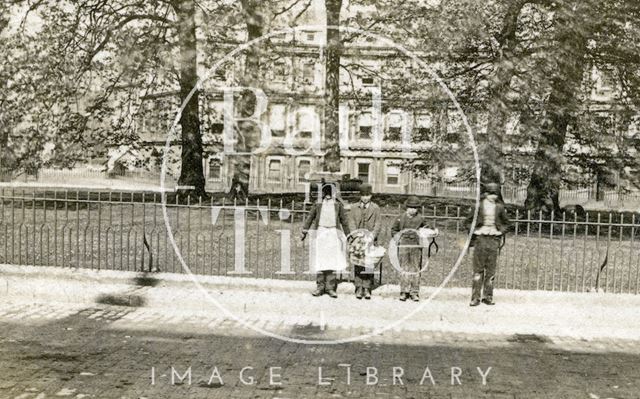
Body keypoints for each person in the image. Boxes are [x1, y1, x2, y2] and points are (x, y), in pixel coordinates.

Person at [301, 183, 351, 298]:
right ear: (322, 193)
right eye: (326, 193)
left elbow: (344, 221)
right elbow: (310, 217)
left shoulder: (338, 205)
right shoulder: (318, 204)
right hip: (321, 233)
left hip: (333, 233)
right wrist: (304, 231)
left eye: (330, 193)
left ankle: (330, 287)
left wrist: (349, 235)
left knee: (332, 261)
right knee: (320, 260)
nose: (328, 196)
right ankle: (320, 286)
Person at [467, 182, 510, 306]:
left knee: (491, 271)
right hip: (480, 240)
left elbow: (507, 224)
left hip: (493, 241)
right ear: (486, 194)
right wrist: (475, 231)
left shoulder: (499, 207)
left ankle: (488, 297)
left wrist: (499, 231)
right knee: (478, 270)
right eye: (491, 194)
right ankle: (475, 298)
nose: (494, 197)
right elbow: (467, 222)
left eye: (496, 194)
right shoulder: (478, 206)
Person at [391, 196, 429, 302]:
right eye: (410, 207)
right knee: (404, 268)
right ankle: (403, 291)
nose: (413, 210)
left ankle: (414, 292)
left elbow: (427, 229)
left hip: (416, 246)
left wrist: (427, 233)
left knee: (415, 268)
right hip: (403, 245)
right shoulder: (400, 218)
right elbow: (394, 230)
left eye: (415, 208)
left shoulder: (421, 219)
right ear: (406, 207)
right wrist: (398, 240)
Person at [348, 183, 381, 300]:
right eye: (363, 195)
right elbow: (351, 222)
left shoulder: (375, 208)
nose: (365, 198)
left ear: (371, 196)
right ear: (360, 196)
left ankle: (367, 287)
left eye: (368, 195)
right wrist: (355, 235)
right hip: (358, 239)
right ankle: (358, 286)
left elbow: (378, 223)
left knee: (368, 264)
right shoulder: (354, 207)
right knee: (358, 262)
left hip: (370, 239)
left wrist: (372, 235)